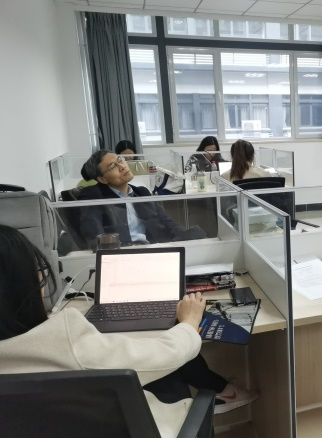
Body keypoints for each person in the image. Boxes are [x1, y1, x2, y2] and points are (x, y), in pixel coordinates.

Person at [0, 225, 257, 437]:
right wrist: (189, 322)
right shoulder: (63, 341)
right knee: (173, 368)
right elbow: (166, 354)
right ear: (23, 285)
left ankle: (224, 388)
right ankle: (224, 391)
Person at [77, 150, 191, 248]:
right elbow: (94, 236)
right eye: (112, 167)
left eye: (120, 160)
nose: (122, 167)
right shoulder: (92, 196)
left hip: (152, 250)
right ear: (103, 179)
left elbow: (166, 221)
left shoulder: (142, 193)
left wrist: (190, 236)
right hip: (121, 254)